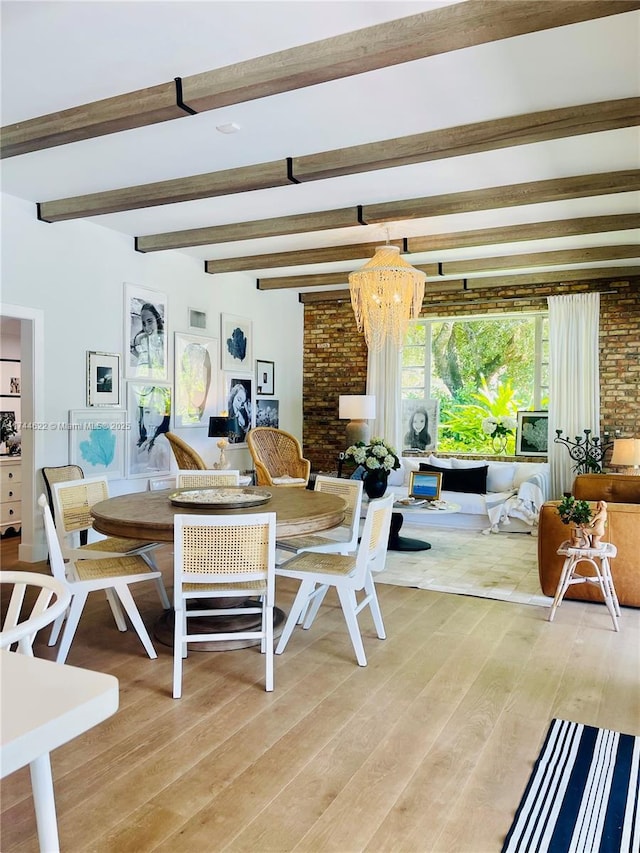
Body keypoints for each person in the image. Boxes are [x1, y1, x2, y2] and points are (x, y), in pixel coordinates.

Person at [130, 302, 164, 376]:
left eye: (150, 321)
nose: (146, 328)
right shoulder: (140, 340)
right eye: (144, 324)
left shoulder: (165, 340)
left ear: (157, 319)